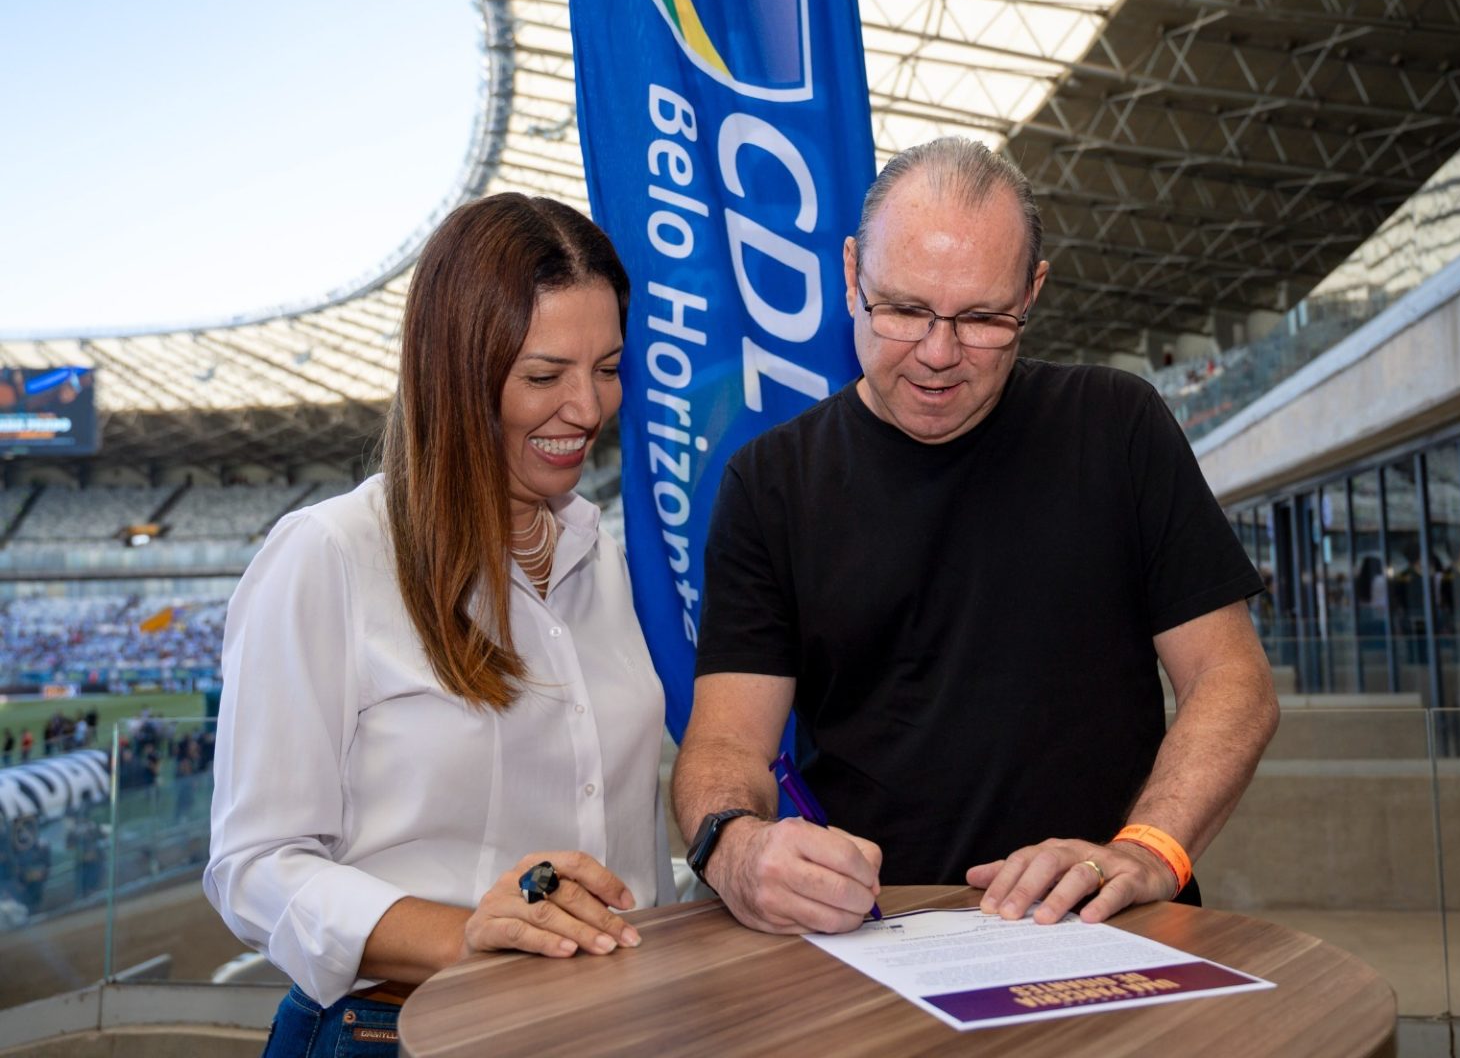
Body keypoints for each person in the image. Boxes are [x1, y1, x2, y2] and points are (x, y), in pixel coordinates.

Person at [673, 137, 1278, 937]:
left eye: (983, 319)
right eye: (904, 310)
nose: (938, 354)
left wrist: (1146, 850)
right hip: (873, 939)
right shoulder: (771, 483)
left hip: (1104, 931)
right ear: (851, 274)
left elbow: (1232, 681)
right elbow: (725, 741)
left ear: (1033, 291)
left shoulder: (1116, 426)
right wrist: (734, 846)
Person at [205, 193, 673, 1056]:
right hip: (393, 1030)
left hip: (605, 1025)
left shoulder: (598, 554)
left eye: (608, 367)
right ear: (454, 372)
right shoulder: (329, 554)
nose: (587, 407)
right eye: (544, 376)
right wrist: (466, 936)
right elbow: (254, 867)